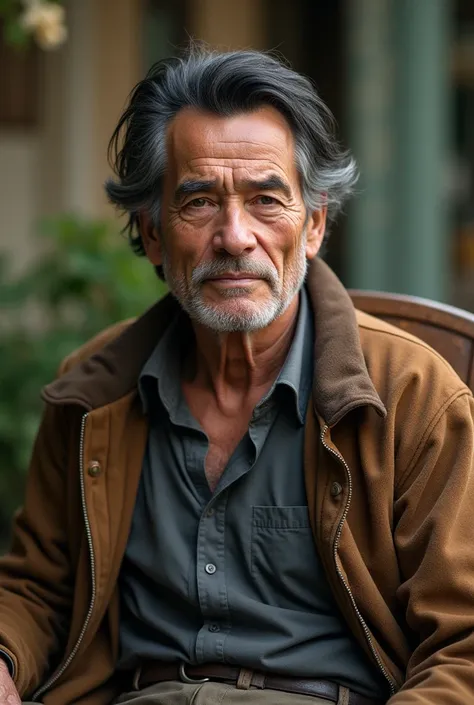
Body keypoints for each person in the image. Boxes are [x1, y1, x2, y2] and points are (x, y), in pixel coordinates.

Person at [0, 46, 473, 705]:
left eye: (266, 200)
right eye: (198, 201)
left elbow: (464, 645)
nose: (234, 236)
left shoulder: (414, 395)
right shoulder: (92, 390)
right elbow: (36, 590)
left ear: (313, 225)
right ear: (154, 232)